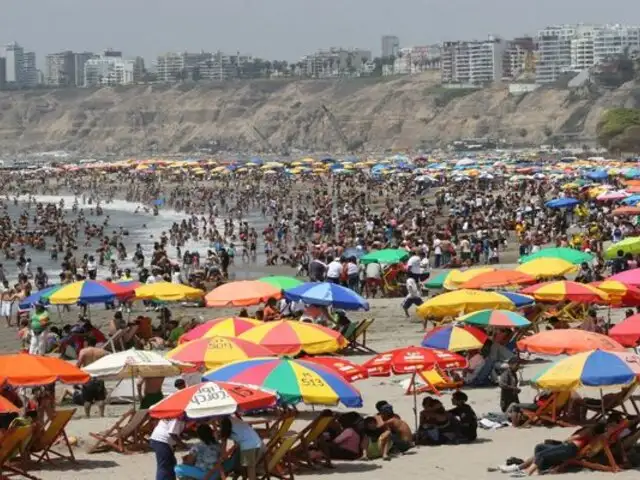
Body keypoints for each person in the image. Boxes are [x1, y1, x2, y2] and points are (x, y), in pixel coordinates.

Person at [76, 337, 108, 418]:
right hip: (98, 376)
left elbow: (78, 364)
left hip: (88, 376)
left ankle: (87, 415)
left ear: (86, 342)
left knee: (87, 399)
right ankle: (101, 414)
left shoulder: (83, 351)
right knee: (100, 398)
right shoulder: (102, 351)